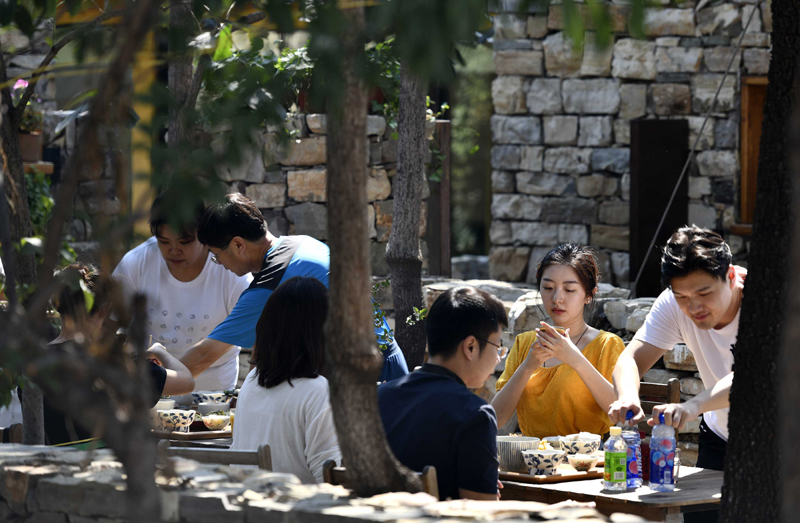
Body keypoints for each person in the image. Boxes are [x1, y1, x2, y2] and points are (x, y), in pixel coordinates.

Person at [179, 193, 408, 383]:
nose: (220, 265)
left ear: (238, 245)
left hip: (368, 383)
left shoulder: (270, 285)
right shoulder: (302, 243)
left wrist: (156, 382)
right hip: (387, 366)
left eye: (217, 257)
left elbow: (204, 356)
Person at [607, 226, 741, 523]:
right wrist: (628, 396)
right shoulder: (671, 304)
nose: (693, 307)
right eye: (681, 295)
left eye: (704, 292)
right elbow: (629, 359)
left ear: (730, 276)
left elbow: (750, 377)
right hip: (720, 437)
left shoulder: (766, 302)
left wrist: (692, 406)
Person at [112, 192, 252, 391]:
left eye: (184, 242)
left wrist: (163, 381)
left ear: (203, 235)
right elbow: (107, 323)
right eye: (164, 242)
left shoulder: (231, 270)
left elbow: (211, 351)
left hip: (212, 393)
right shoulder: (136, 263)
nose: (174, 250)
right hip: (149, 390)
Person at [45, 264, 195, 446]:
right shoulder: (116, 364)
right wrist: (159, 352)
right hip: (107, 467)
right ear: (103, 310)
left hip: (51, 465)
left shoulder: (34, 359)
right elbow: (186, 381)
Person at [378, 286, 506, 501]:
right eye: (498, 346)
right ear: (471, 347)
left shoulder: (379, 397)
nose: (498, 358)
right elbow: (481, 513)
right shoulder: (475, 415)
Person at [492, 244, 625, 438]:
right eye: (548, 288)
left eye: (569, 290)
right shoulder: (525, 343)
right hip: (534, 458)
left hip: (585, 460)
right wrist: (528, 366)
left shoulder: (607, 345)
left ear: (589, 295)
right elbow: (495, 417)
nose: (557, 298)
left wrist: (575, 359)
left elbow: (619, 413)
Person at [231, 277, 340, 483]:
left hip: (249, 506)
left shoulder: (253, 380)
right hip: (299, 511)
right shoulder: (317, 391)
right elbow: (331, 477)